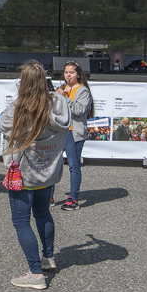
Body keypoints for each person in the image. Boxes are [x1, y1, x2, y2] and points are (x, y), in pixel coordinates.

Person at [0, 60, 71, 290]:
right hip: (48, 171)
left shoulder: (21, 107)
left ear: (24, 84)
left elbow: (2, 124)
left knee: (21, 221)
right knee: (42, 212)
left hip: (25, 174)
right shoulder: (59, 102)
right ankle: (48, 258)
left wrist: (20, 98)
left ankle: (36, 273)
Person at [51, 60, 94, 211]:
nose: (68, 75)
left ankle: (74, 198)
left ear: (78, 74)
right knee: (53, 163)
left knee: (73, 165)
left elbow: (79, 110)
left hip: (73, 132)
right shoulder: (62, 87)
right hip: (60, 131)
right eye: (66, 72)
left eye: (71, 72)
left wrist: (65, 98)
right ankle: (49, 196)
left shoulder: (83, 91)